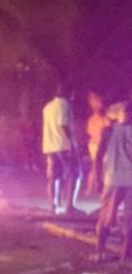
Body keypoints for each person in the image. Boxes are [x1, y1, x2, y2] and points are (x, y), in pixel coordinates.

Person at [93, 100, 132, 262]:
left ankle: (102, 253)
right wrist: (98, 177)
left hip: (113, 180)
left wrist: (98, 177)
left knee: (106, 219)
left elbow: (98, 156)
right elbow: (99, 156)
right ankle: (123, 257)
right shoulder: (108, 131)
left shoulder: (108, 131)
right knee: (125, 220)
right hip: (119, 180)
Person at [42, 83, 82, 215]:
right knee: (74, 173)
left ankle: (52, 205)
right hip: (64, 146)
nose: (74, 97)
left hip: (50, 147)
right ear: (69, 93)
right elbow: (63, 124)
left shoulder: (47, 107)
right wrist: (72, 143)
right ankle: (70, 206)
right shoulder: (64, 104)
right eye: (73, 94)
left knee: (54, 176)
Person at [86, 92, 111, 196]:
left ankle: (89, 189)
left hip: (93, 145)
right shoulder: (104, 119)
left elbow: (89, 133)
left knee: (95, 167)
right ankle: (100, 188)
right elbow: (108, 130)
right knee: (102, 167)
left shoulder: (92, 119)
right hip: (98, 145)